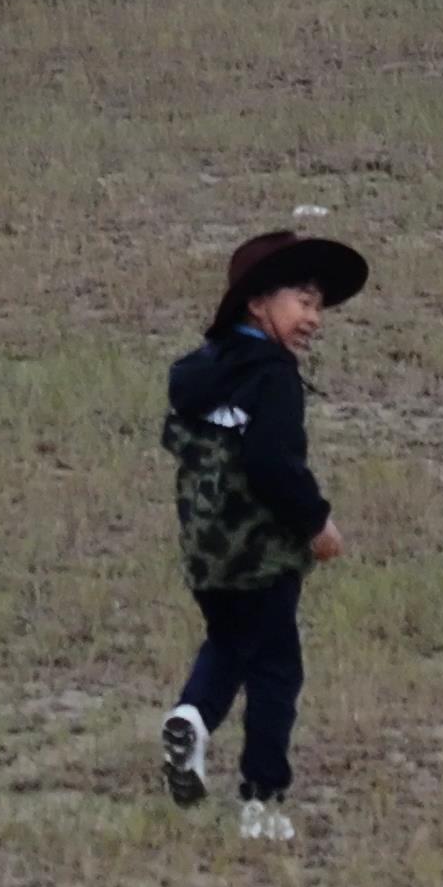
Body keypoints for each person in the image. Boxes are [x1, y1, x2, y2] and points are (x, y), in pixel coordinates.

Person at [157, 228, 362, 840]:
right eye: (302, 299)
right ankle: (262, 801)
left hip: (205, 553)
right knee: (276, 669)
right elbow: (274, 464)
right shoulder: (272, 376)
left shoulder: (199, 373)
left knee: (228, 643)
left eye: (319, 304)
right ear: (256, 303)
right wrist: (318, 523)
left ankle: (190, 720)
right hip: (263, 553)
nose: (314, 318)